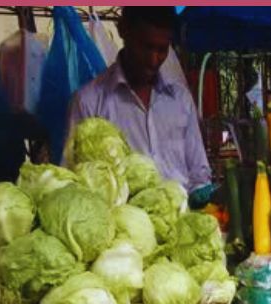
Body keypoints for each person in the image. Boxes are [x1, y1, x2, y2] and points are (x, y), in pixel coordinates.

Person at [67, 6, 212, 195]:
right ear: (123, 31)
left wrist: (201, 193)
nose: (153, 59)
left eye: (162, 50)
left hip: (183, 217)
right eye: (146, 47)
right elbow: (75, 179)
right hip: (124, 222)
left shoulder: (180, 100)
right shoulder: (89, 102)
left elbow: (199, 173)